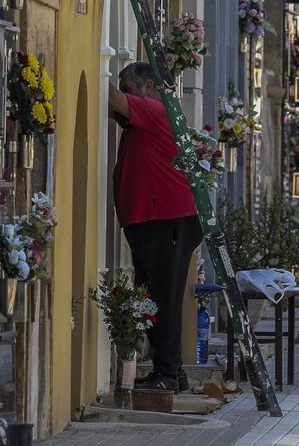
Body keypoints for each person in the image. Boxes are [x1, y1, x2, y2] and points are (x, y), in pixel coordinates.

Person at [108, 61, 203, 391]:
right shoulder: (146, 113)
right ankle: (172, 372)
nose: (124, 95)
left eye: (129, 88)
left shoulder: (155, 109)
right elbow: (114, 109)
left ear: (148, 88)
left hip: (166, 219)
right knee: (156, 296)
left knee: (162, 298)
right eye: (122, 88)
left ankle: (166, 375)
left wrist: (92, 62)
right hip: (155, 220)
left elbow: (115, 103)